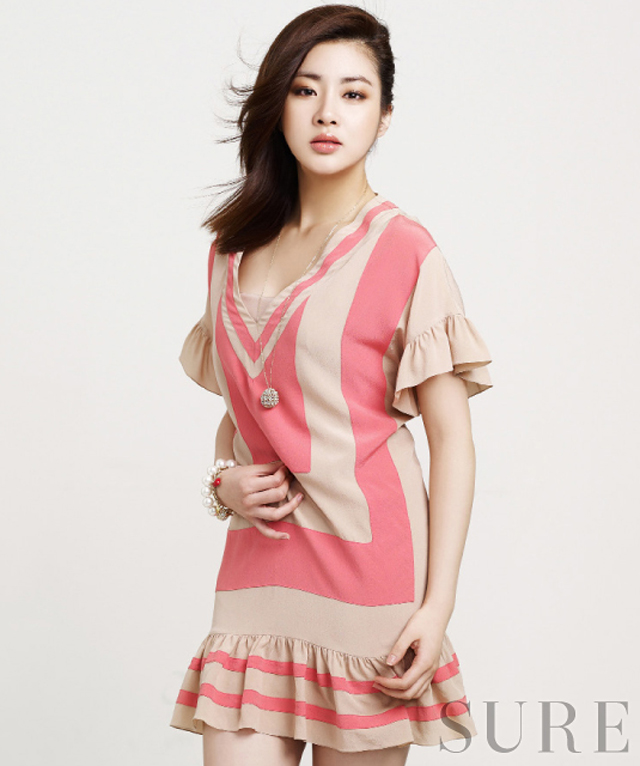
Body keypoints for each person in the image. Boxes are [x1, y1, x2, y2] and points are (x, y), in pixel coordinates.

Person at [170, 5, 493, 764]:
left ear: (384, 116)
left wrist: (437, 604)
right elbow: (241, 414)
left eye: (353, 94)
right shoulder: (230, 250)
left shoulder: (407, 252)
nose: (327, 113)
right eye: (306, 89)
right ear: (278, 103)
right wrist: (223, 484)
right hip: (257, 578)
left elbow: (452, 441)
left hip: (369, 582)